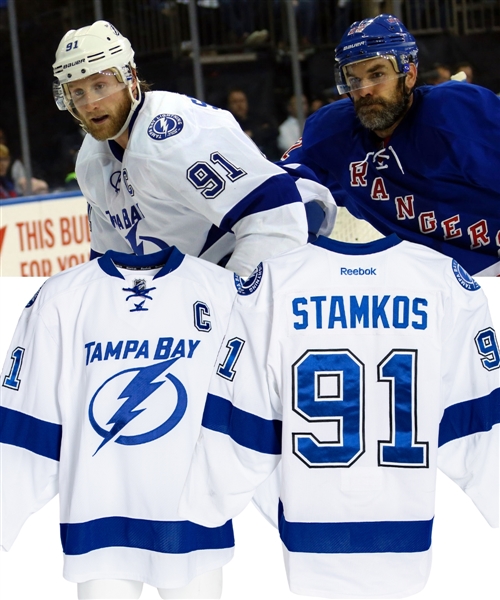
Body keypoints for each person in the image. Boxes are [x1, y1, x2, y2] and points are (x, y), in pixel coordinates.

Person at [52, 21, 312, 280]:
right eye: (77, 92)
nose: (90, 104)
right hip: (199, 279)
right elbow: (112, 265)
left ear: (130, 78)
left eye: (99, 86)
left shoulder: (172, 134)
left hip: (281, 247)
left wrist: (232, 298)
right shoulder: (90, 161)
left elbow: (275, 209)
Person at [278, 14, 500, 276]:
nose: (364, 91)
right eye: (354, 79)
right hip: (439, 291)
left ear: (409, 74)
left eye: (377, 74)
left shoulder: (454, 114)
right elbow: (277, 189)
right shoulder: (332, 134)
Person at [226, 87, 280, 161]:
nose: (239, 105)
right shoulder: (228, 123)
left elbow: (274, 131)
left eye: (242, 101)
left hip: (269, 158)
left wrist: (252, 133)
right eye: (235, 102)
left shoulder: (260, 117)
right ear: (229, 105)